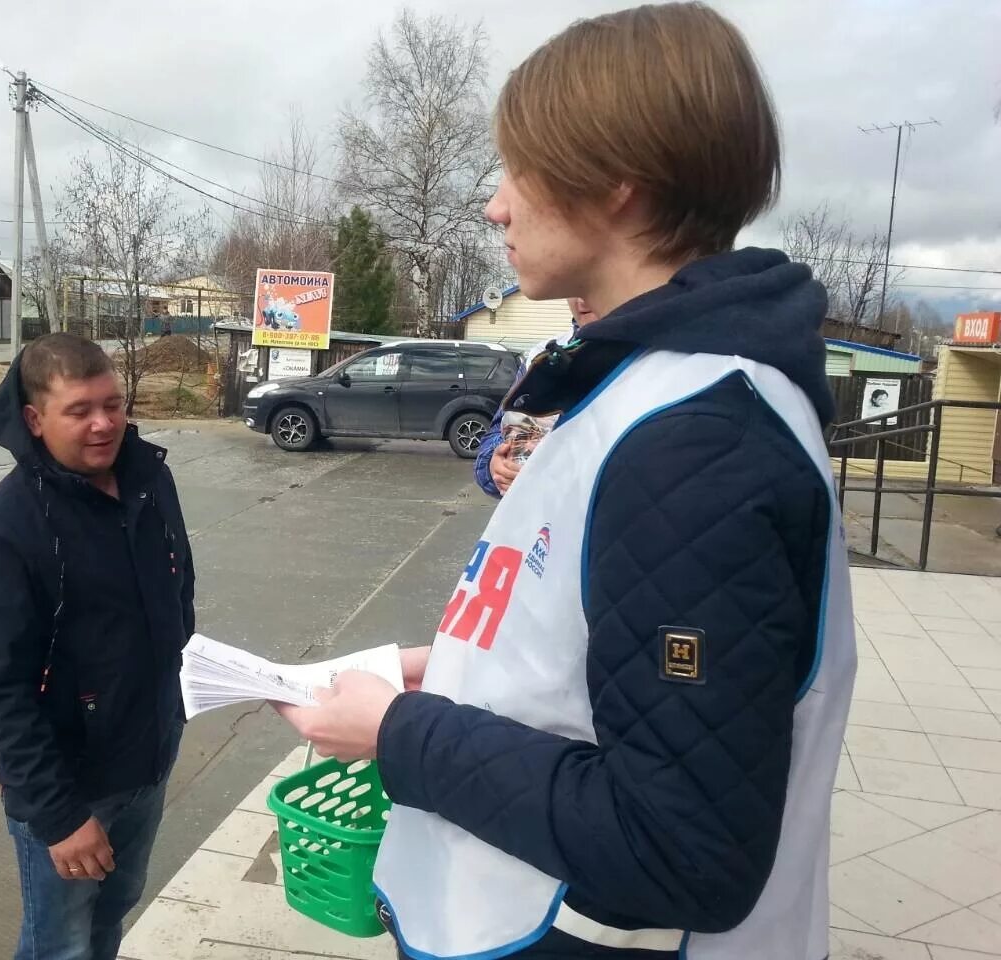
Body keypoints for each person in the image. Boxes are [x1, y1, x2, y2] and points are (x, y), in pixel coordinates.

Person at [275, 5, 855, 960]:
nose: (497, 204)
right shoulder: (652, 389)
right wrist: (464, 666)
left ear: (619, 184)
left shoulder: (697, 437)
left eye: (519, 168)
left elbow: (680, 851)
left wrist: (402, 730)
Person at [0, 332, 195, 960]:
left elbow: (177, 591)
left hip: (147, 757)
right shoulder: (2, 531)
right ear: (34, 420)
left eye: (112, 404)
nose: (102, 423)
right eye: (79, 410)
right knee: (58, 944)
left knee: (111, 916)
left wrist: (179, 700)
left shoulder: (148, 481)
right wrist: (59, 817)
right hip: (71, 785)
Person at [475, 297, 598, 497]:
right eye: (574, 288)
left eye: (593, 285)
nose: (582, 301)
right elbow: (499, 429)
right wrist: (495, 466)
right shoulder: (542, 355)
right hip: (535, 518)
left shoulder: (649, 360)